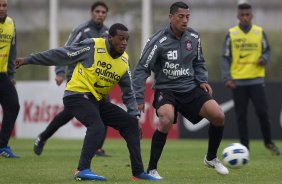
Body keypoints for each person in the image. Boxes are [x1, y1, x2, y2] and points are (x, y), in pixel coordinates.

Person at [15, 23, 160, 181]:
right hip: (76, 94)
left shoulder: (124, 61)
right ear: (110, 38)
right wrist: (28, 60)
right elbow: (60, 54)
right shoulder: (92, 46)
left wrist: (135, 116)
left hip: (97, 100)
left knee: (131, 124)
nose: (124, 42)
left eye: (127, 39)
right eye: (121, 38)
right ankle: (82, 170)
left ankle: (138, 173)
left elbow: (128, 93)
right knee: (96, 126)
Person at [132, 1, 229, 179]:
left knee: (218, 115)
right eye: (181, 17)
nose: (185, 20)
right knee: (166, 119)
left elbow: (199, 62)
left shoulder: (194, 37)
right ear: (171, 17)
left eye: (187, 17)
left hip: (190, 88)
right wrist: (138, 97)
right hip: (166, 89)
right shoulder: (158, 40)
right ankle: (152, 169)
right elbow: (141, 69)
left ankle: (211, 158)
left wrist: (202, 80)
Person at [34, 1, 110, 157]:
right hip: (78, 80)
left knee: (105, 109)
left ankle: (97, 148)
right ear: (91, 13)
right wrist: (60, 71)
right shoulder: (82, 30)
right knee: (69, 113)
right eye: (97, 11)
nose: (100, 14)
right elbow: (65, 50)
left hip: (98, 82)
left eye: (103, 12)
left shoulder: (108, 32)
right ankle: (43, 137)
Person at [220, 3, 280, 155]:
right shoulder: (231, 34)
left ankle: (268, 142)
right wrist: (227, 77)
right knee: (241, 115)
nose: (245, 17)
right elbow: (225, 57)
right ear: (238, 16)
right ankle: (244, 147)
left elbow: (267, 51)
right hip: (238, 81)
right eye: (242, 15)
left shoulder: (259, 32)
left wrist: (264, 58)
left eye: (247, 15)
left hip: (256, 80)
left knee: (262, 112)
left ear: (251, 16)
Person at [0, 0, 20, 158]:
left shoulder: (11, 23)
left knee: (13, 106)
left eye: (4, 5)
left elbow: (12, 50)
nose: (2, 8)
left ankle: (2, 146)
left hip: (2, 75)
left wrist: (11, 74)